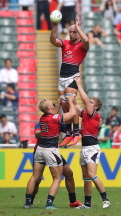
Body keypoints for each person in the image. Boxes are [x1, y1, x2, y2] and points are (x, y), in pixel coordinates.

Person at [23, 95, 76, 209]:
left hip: (40, 150)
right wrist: (71, 102)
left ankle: (27, 203)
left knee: (34, 177)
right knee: (57, 178)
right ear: (48, 108)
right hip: (50, 150)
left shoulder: (42, 118)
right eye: (50, 103)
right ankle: (49, 203)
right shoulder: (54, 118)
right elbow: (72, 114)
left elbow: (53, 114)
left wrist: (58, 104)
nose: (52, 104)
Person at [50, 18, 89, 147]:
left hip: (72, 77)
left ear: (78, 32)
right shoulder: (65, 43)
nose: (71, 34)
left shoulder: (82, 46)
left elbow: (87, 40)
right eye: (70, 31)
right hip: (61, 79)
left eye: (74, 32)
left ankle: (76, 133)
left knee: (70, 102)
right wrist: (54, 26)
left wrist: (78, 28)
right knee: (64, 105)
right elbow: (53, 41)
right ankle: (68, 134)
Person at [73, 76, 110, 209]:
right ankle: (87, 204)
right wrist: (70, 99)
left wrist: (78, 84)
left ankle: (105, 199)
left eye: (92, 102)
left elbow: (84, 101)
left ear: (97, 107)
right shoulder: (87, 114)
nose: (89, 102)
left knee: (92, 174)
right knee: (86, 177)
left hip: (92, 148)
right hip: (84, 148)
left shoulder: (94, 114)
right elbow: (76, 107)